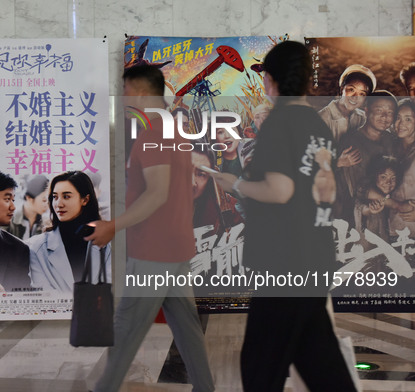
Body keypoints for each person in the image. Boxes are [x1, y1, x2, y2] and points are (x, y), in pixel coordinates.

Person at [210, 41, 357, 392]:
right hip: (314, 256)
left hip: (284, 265)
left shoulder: (279, 123)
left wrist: (237, 184)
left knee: (260, 367)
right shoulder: (317, 124)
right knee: (320, 364)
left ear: (271, 80)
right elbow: (324, 190)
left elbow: (280, 190)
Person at [87, 64, 214, 392]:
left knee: (127, 327)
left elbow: (157, 195)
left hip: (154, 250)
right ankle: (205, 387)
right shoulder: (174, 131)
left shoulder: (155, 135)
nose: (123, 98)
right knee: (186, 328)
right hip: (175, 247)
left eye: (126, 91)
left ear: (140, 93)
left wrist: (113, 226)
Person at [28, 171, 110, 292]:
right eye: (55, 197)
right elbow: (44, 295)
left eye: (66, 196)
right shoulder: (35, 248)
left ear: (85, 200)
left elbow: (111, 289)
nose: (59, 204)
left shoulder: (108, 245)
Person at [336, 90, 397, 225]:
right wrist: (397, 205)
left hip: (385, 214)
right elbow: (356, 189)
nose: (384, 116)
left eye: (390, 112)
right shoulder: (352, 142)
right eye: (379, 110)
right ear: (367, 110)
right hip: (354, 215)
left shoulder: (391, 140)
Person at [390, 98, 415, 237]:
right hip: (391, 227)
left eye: (408, 119)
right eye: (398, 118)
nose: (401, 124)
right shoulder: (389, 147)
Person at [7, 174, 49, 241]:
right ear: (29, 198)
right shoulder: (8, 220)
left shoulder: (46, 222)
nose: (47, 204)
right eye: (44, 200)